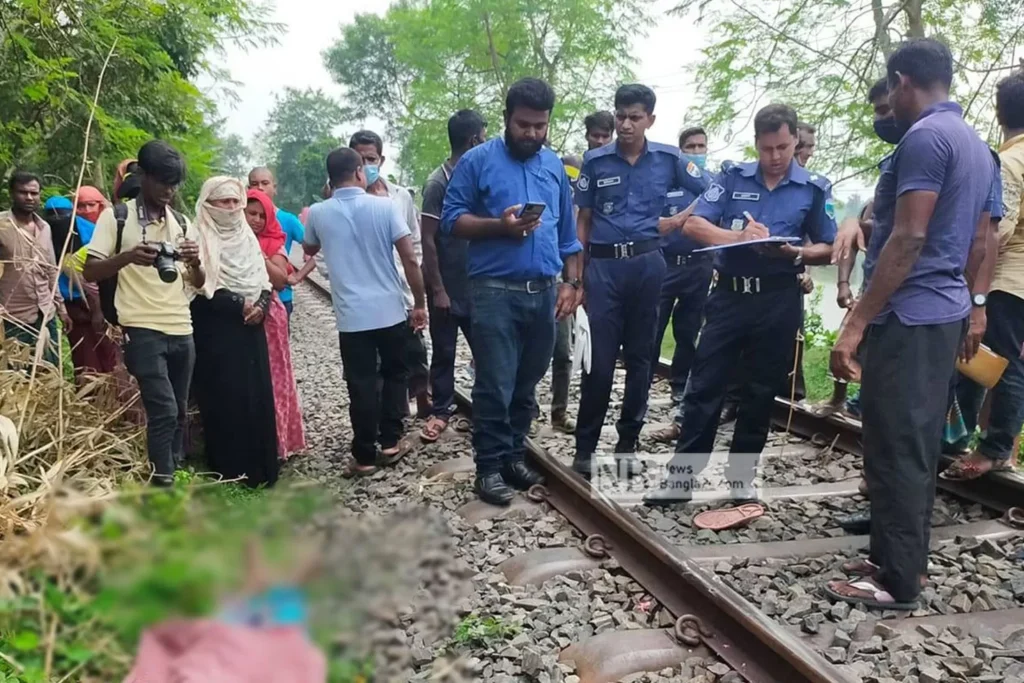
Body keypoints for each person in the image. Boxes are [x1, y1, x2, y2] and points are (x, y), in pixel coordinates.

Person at [826, 39, 997, 611]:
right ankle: (895, 558)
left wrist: (856, 322)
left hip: (912, 312)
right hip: (941, 311)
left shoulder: (924, 138)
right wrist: (973, 301)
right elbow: (978, 237)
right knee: (907, 440)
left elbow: (909, 237)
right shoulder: (972, 142)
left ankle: (897, 583)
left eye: (889, 91)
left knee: (899, 445)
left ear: (901, 81)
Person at [645, 103, 837, 506]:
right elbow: (695, 224)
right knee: (705, 385)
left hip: (778, 300)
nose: (775, 157)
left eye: (783, 147)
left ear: (794, 142)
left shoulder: (813, 188)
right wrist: (738, 239)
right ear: (756, 144)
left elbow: (828, 246)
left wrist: (794, 252)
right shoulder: (732, 177)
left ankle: (741, 480)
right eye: (767, 148)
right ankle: (682, 479)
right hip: (730, 295)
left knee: (761, 391)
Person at [441, 77, 583, 505]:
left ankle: (512, 454)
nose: (533, 134)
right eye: (524, 125)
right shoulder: (477, 161)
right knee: (495, 384)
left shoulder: (553, 165)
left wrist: (572, 283)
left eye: (540, 126)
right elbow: (452, 220)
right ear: (506, 119)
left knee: (527, 383)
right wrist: (499, 227)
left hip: (543, 292)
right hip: (494, 291)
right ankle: (487, 469)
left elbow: (567, 234)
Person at [573, 84, 708, 479]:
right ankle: (586, 446)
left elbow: (714, 189)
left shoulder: (670, 159)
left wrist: (681, 219)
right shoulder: (595, 162)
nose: (626, 124)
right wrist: (577, 277)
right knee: (597, 364)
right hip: (604, 271)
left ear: (650, 119)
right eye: (620, 116)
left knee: (641, 360)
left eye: (634, 117)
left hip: (649, 267)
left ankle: (627, 443)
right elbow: (582, 221)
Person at [83, 140, 205, 486]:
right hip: (141, 328)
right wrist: (128, 257)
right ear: (144, 177)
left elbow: (199, 281)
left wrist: (195, 261)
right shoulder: (116, 218)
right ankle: (162, 483)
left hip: (182, 326)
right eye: (163, 182)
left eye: (174, 183)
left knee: (179, 409)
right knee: (164, 408)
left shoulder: (181, 222)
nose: (169, 190)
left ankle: (168, 467)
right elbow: (90, 272)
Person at [304, 147, 426, 478]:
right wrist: (419, 302)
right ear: (360, 172)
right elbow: (410, 259)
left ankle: (364, 457)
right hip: (389, 310)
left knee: (360, 384)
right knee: (394, 375)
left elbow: (310, 247)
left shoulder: (318, 212)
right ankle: (389, 442)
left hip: (351, 317)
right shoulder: (385, 207)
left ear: (330, 180)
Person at [944, 69, 1024, 480]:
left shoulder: (1009, 161)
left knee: (997, 360)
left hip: (1006, 279)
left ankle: (994, 448)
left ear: (999, 113)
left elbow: (1001, 228)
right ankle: (963, 435)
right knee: (981, 358)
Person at [187, 177, 279, 487]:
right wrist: (237, 303)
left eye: (234, 202)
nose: (230, 208)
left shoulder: (247, 238)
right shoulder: (197, 235)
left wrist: (261, 306)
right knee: (224, 397)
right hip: (216, 331)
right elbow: (196, 287)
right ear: (207, 204)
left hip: (252, 327)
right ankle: (230, 471)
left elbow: (262, 278)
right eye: (222, 202)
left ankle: (262, 470)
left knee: (257, 395)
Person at [350, 129, 430, 418]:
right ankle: (390, 418)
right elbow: (322, 253)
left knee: (414, 352)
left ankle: (422, 404)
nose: (366, 164)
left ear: (381, 160)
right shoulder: (342, 199)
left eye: (371, 158)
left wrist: (413, 274)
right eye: (360, 159)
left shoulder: (400, 197)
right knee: (377, 363)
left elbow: (415, 241)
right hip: (365, 296)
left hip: (402, 289)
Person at [420, 109, 487, 443]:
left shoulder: (480, 176)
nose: (487, 142)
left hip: (479, 284)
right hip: (448, 286)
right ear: (474, 139)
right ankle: (441, 410)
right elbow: (428, 239)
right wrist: (438, 289)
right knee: (444, 351)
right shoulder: (438, 182)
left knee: (488, 352)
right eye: (484, 136)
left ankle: (487, 409)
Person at [650, 126, 714, 444]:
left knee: (688, 332)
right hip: (665, 266)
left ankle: (679, 386)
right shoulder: (665, 182)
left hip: (699, 268)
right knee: (653, 328)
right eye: (691, 146)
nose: (697, 151)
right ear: (681, 150)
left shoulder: (711, 184)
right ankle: (643, 382)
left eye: (702, 146)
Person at [246, 188, 307, 460]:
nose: (256, 220)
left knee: (274, 377)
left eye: (262, 215)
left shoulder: (273, 241)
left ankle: (279, 442)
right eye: (251, 213)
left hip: (269, 316)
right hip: (237, 317)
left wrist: (255, 253)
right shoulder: (226, 238)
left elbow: (280, 279)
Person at [529, 152, 585, 438]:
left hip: (561, 286)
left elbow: (573, 246)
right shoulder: (543, 205)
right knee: (531, 353)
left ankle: (559, 412)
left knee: (562, 352)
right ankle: (528, 410)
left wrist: (574, 284)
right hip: (539, 282)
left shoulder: (579, 209)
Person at [43, 193, 120, 375]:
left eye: (63, 215)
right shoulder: (43, 235)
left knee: (109, 350)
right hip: (70, 306)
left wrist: (98, 308)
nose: (58, 220)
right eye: (52, 216)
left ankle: (116, 393)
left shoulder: (91, 232)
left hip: (99, 300)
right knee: (84, 355)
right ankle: (90, 395)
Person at [0, 171, 69, 368]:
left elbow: (50, 270)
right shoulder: (2, 226)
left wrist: (61, 308)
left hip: (45, 315)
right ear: (12, 194)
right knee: (15, 377)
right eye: (23, 192)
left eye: (34, 193)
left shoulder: (45, 228)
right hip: (12, 317)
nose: (29, 197)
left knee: (48, 373)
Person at [247, 167, 312, 319]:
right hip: (248, 299)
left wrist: (299, 275)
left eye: (265, 183)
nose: (260, 188)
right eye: (255, 184)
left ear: (274, 188)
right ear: (248, 188)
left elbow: (318, 248)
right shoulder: (238, 221)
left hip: (279, 297)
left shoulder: (288, 220)